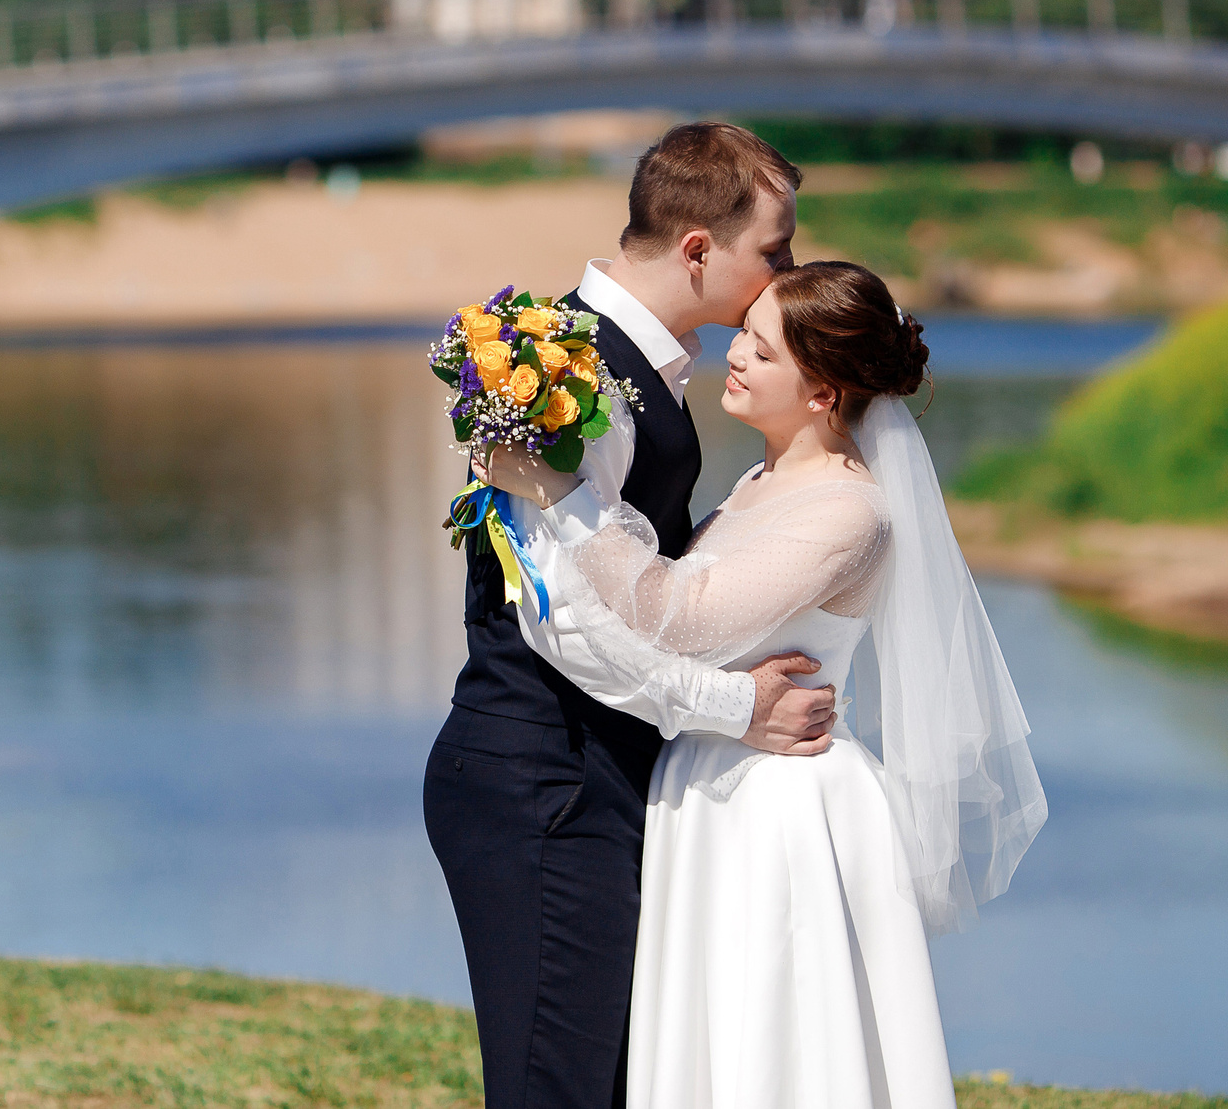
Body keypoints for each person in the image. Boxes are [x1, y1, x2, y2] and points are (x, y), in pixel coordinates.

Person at [484, 260, 1047, 1109]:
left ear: (823, 391)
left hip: (783, 806)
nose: (735, 356)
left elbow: (677, 614)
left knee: (778, 1046)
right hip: (716, 783)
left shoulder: (850, 511)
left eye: (762, 348)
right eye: (742, 336)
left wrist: (561, 492)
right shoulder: (759, 481)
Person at [422, 123, 835, 1109]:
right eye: (774, 251)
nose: (789, 269)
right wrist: (737, 709)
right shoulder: (566, 375)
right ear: (699, 249)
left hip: (585, 780)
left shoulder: (619, 363)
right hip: (541, 786)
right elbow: (564, 622)